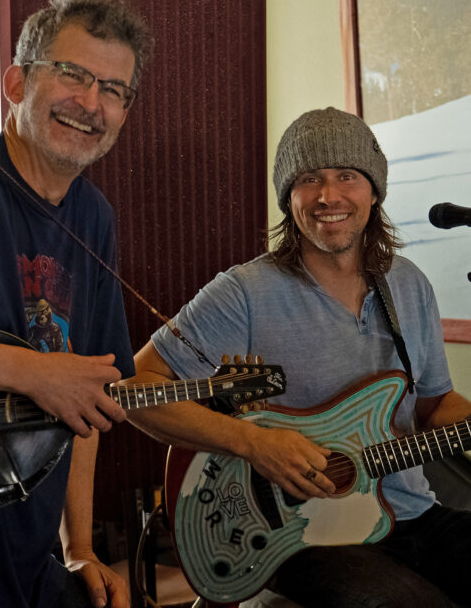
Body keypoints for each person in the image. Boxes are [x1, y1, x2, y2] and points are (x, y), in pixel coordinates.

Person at [129, 107, 471, 608]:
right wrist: (252, 444)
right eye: (309, 179)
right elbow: (137, 388)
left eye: (347, 176)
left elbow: (433, 407)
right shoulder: (244, 292)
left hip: (412, 512)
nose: (328, 195)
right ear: (289, 199)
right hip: (302, 533)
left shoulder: (409, 283)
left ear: (373, 192)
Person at [0, 0, 153, 608]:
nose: (91, 102)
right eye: (73, 74)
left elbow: (87, 401)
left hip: (26, 560)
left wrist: (81, 548)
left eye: (114, 90)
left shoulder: (94, 217)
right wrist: (36, 374)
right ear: (16, 83)